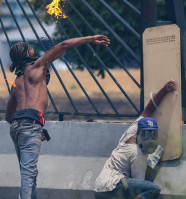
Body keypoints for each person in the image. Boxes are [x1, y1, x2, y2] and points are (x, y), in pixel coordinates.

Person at [5, 35, 110, 199]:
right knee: (28, 174)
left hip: (17, 126)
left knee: (29, 173)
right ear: (27, 54)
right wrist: (90, 39)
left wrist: (26, 124)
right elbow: (63, 45)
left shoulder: (16, 82)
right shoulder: (37, 66)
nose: (33, 48)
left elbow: (8, 116)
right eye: (30, 48)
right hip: (30, 124)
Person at [94, 80, 176, 199]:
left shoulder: (131, 132)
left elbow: (148, 110)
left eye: (153, 135)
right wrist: (151, 165)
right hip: (113, 186)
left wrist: (164, 89)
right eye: (146, 134)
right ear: (139, 133)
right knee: (154, 189)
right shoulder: (138, 153)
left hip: (100, 188)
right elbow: (141, 186)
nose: (150, 139)